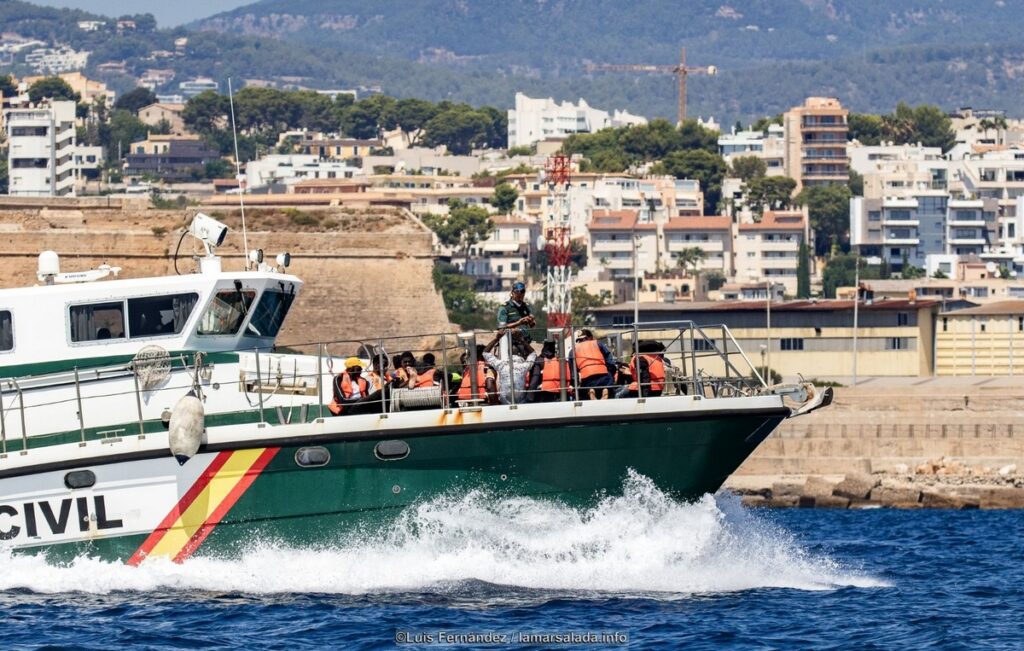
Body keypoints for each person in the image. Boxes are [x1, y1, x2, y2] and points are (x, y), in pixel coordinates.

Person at [482, 330, 537, 405]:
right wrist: (522, 340)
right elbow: (533, 354)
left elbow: (485, 353)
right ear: (519, 354)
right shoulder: (524, 366)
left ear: (508, 354)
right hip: (521, 402)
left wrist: (497, 339)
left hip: (504, 402)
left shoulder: (501, 365)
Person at [569, 329, 616, 400]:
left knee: (582, 392)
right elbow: (610, 361)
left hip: (588, 379)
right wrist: (611, 372)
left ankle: (590, 390)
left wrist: (574, 385)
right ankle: (606, 389)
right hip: (604, 377)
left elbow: (574, 373)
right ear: (591, 337)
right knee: (610, 381)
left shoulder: (573, 350)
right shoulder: (598, 344)